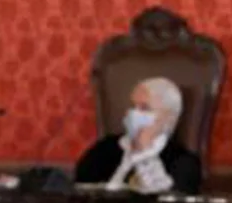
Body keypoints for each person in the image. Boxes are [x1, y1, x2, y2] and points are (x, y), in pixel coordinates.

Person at [74, 77, 202, 195]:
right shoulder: (105, 148)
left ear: (169, 119)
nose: (134, 113)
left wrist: (143, 151)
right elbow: (79, 190)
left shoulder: (184, 163)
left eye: (145, 108)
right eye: (132, 106)